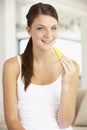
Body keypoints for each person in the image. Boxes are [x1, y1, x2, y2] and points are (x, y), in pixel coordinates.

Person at [2, 2, 80, 130]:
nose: (49, 35)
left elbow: (65, 123)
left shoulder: (72, 68)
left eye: (53, 28)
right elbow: (12, 121)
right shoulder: (12, 66)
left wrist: (66, 84)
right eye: (41, 28)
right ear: (29, 30)